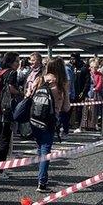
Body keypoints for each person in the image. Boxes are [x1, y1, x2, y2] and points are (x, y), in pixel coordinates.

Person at [28, 58, 70, 193]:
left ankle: (41, 175)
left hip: (35, 118)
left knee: (40, 147)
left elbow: (29, 95)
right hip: (50, 120)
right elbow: (66, 107)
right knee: (46, 149)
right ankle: (42, 182)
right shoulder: (61, 84)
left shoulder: (40, 79)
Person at [0, 51, 21, 179]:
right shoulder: (12, 73)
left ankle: (0, 168)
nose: (18, 63)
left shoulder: (0, 71)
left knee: (1, 139)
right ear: (10, 62)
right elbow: (10, 88)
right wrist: (22, 93)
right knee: (5, 140)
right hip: (7, 109)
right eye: (16, 61)